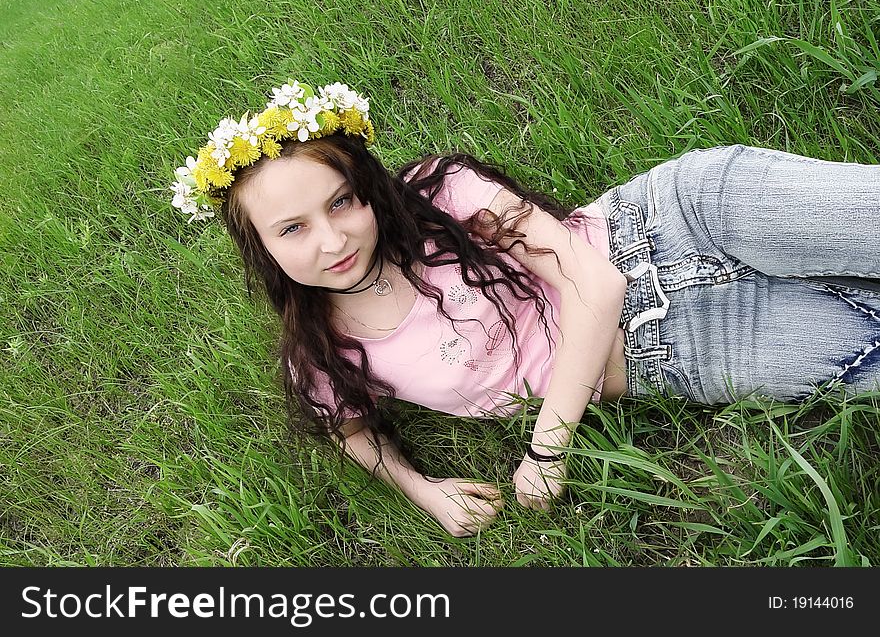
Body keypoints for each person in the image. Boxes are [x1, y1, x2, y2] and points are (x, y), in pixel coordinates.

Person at [170, 80, 880, 537]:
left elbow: (597, 285)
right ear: (258, 244)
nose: (333, 240)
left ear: (364, 186)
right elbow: (347, 429)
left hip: (676, 216)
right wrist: (425, 491)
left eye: (342, 202)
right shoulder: (320, 352)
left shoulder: (439, 195)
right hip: (684, 348)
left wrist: (548, 447)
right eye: (292, 228)